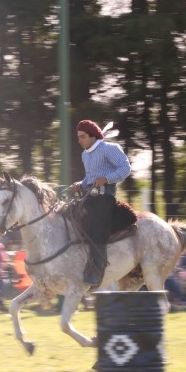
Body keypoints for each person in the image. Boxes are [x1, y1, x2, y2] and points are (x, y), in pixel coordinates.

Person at [70, 120, 132, 286]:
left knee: (97, 229)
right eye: (78, 137)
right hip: (89, 196)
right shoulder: (85, 154)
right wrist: (80, 184)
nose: (79, 141)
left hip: (105, 197)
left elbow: (125, 168)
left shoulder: (109, 149)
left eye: (82, 137)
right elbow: (89, 178)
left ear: (93, 136)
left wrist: (106, 179)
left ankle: (97, 271)